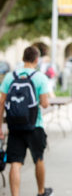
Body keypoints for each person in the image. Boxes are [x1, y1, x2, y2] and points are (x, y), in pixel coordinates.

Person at [0, 46, 53, 196]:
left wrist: (0, 126)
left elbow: (1, 102)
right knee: (38, 159)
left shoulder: (10, 76)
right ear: (37, 59)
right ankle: (41, 191)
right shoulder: (40, 77)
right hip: (34, 125)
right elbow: (44, 103)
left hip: (15, 126)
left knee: (15, 163)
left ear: (23, 58)